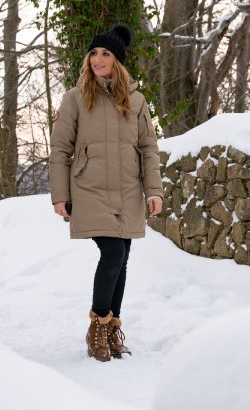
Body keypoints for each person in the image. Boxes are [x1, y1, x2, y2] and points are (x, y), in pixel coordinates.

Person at [48, 25, 164, 362]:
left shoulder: (137, 101)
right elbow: (59, 149)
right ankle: (97, 326)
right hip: (90, 188)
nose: (98, 59)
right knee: (113, 254)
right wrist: (60, 193)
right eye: (95, 53)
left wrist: (153, 190)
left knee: (123, 259)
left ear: (118, 61)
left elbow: (148, 149)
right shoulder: (75, 98)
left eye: (106, 54)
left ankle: (112, 327)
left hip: (128, 189)